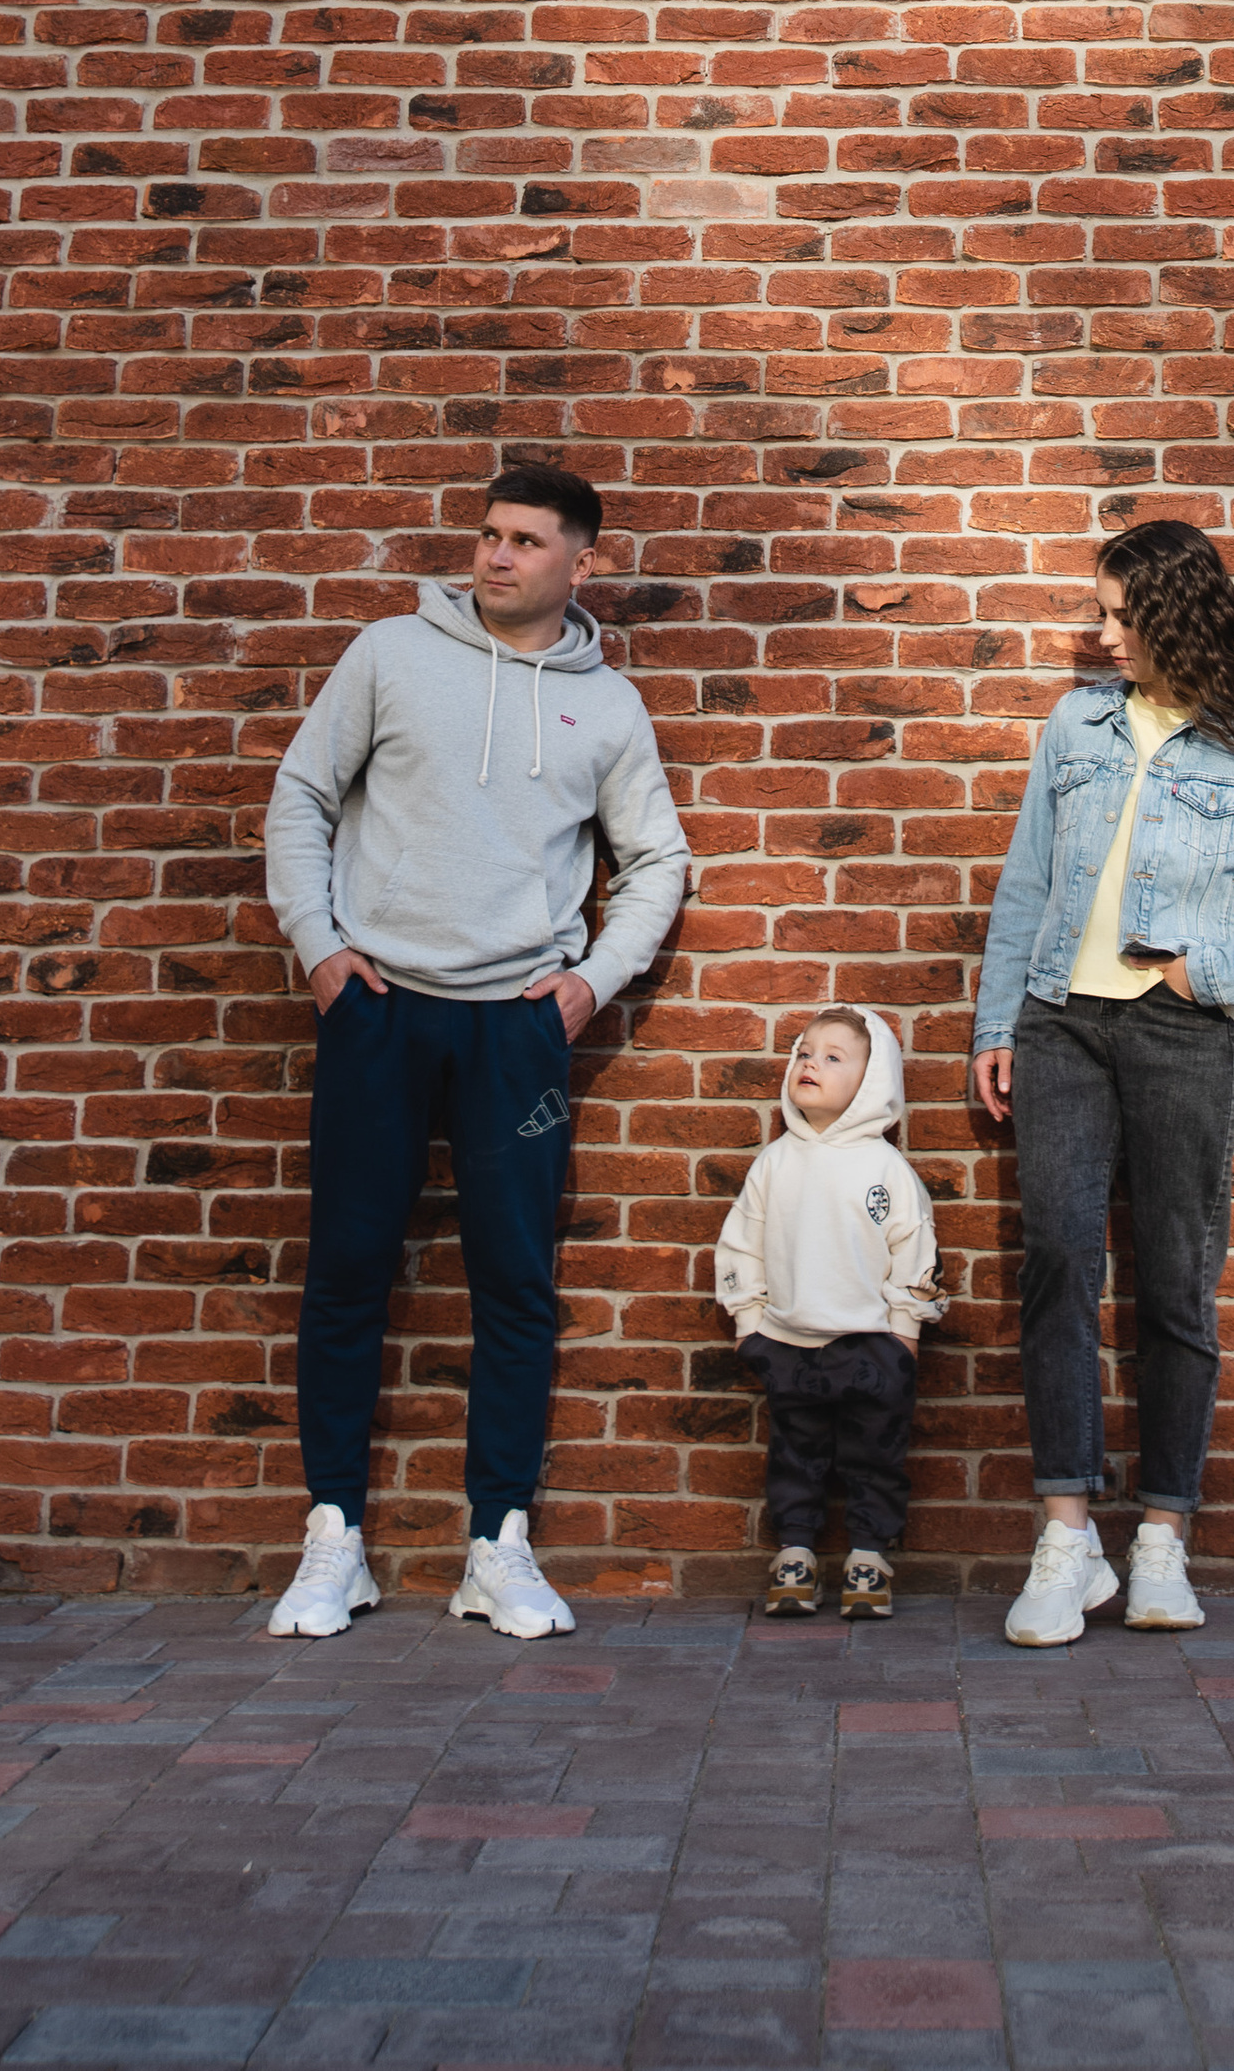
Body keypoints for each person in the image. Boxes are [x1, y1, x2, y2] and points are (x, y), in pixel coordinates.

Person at [261, 464, 688, 1641]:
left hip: (515, 1029)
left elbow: (658, 863)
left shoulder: (605, 708)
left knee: (514, 1287)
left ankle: (498, 1542)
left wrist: (590, 985)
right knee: (347, 1274)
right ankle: (333, 1538)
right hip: (379, 1008)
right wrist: (320, 952)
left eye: (526, 542)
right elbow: (300, 794)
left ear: (580, 565)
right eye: (489, 536)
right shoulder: (391, 654)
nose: (496, 558)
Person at [970, 518, 1234, 1649]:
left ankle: (1162, 1540)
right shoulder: (1075, 724)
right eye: (1101, 614)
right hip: (1058, 1028)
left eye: (1119, 617)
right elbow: (1026, 880)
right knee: (1055, 1263)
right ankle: (1065, 1536)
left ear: (1175, 617)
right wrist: (998, 1020)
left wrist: (1211, 970)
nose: (1102, 638)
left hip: (1180, 1034)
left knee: (1177, 1282)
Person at [716, 1005, 941, 1620]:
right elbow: (742, 1245)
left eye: (833, 1057)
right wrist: (749, 1324)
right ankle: (796, 1553)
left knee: (876, 1456)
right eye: (804, 1053)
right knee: (795, 1454)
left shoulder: (885, 1169)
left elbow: (913, 1252)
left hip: (871, 1345)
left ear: (872, 1083)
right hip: (786, 1342)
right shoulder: (775, 1163)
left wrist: (904, 1334)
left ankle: (870, 1556)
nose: (810, 1063)